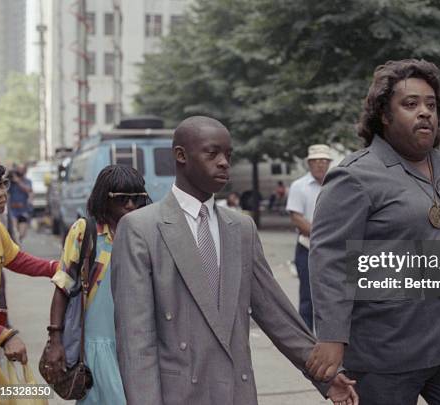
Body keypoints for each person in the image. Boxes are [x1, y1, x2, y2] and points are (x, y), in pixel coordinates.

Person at [110, 116, 357, 405]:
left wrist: (326, 375)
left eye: (228, 155)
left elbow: (277, 314)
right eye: (212, 153)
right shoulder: (141, 228)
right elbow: (136, 340)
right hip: (177, 395)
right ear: (180, 156)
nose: (224, 162)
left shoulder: (241, 229)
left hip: (236, 393)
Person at [306, 59, 440, 405]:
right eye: (410, 104)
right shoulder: (355, 176)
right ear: (384, 114)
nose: (424, 112)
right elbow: (330, 259)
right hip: (388, 349)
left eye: (431, 104)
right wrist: (332, 335)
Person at [40, 165, 150, 405]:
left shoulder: (146, 233)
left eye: (137, 199)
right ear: (104, 199)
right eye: (122, 199)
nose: (131, 205)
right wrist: (55, 340)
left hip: (137, 344)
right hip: (96, 343)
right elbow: (62, 288)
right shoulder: (85, 232)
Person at [0, 159, 58, 402]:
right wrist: (4, 335)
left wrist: (57, 267)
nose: (0, 193)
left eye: (2, 184)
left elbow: (16, 259)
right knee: (2, 393)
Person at [286, 144, 333, 330]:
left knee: (334, 295)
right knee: (308, 295)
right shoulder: (299, 186)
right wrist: (322, 237)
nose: (320, 165)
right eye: (316, 161)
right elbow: (296, 217)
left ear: (329, 163)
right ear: (309, 163)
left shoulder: (336, 183)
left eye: (324, 161)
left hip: (334, 248)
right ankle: (305, 338)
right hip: (308, 247)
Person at [8, 164, 33, 243]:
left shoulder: (27, 181)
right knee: (15, 232)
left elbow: (28, 190)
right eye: (18, 169)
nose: (20, 171)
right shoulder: (11, 182)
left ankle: (19, 243)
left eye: (22, 169)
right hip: (13, 211)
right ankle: (16, 249)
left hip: (23, 210)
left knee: (22, 234)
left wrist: (18, 181)